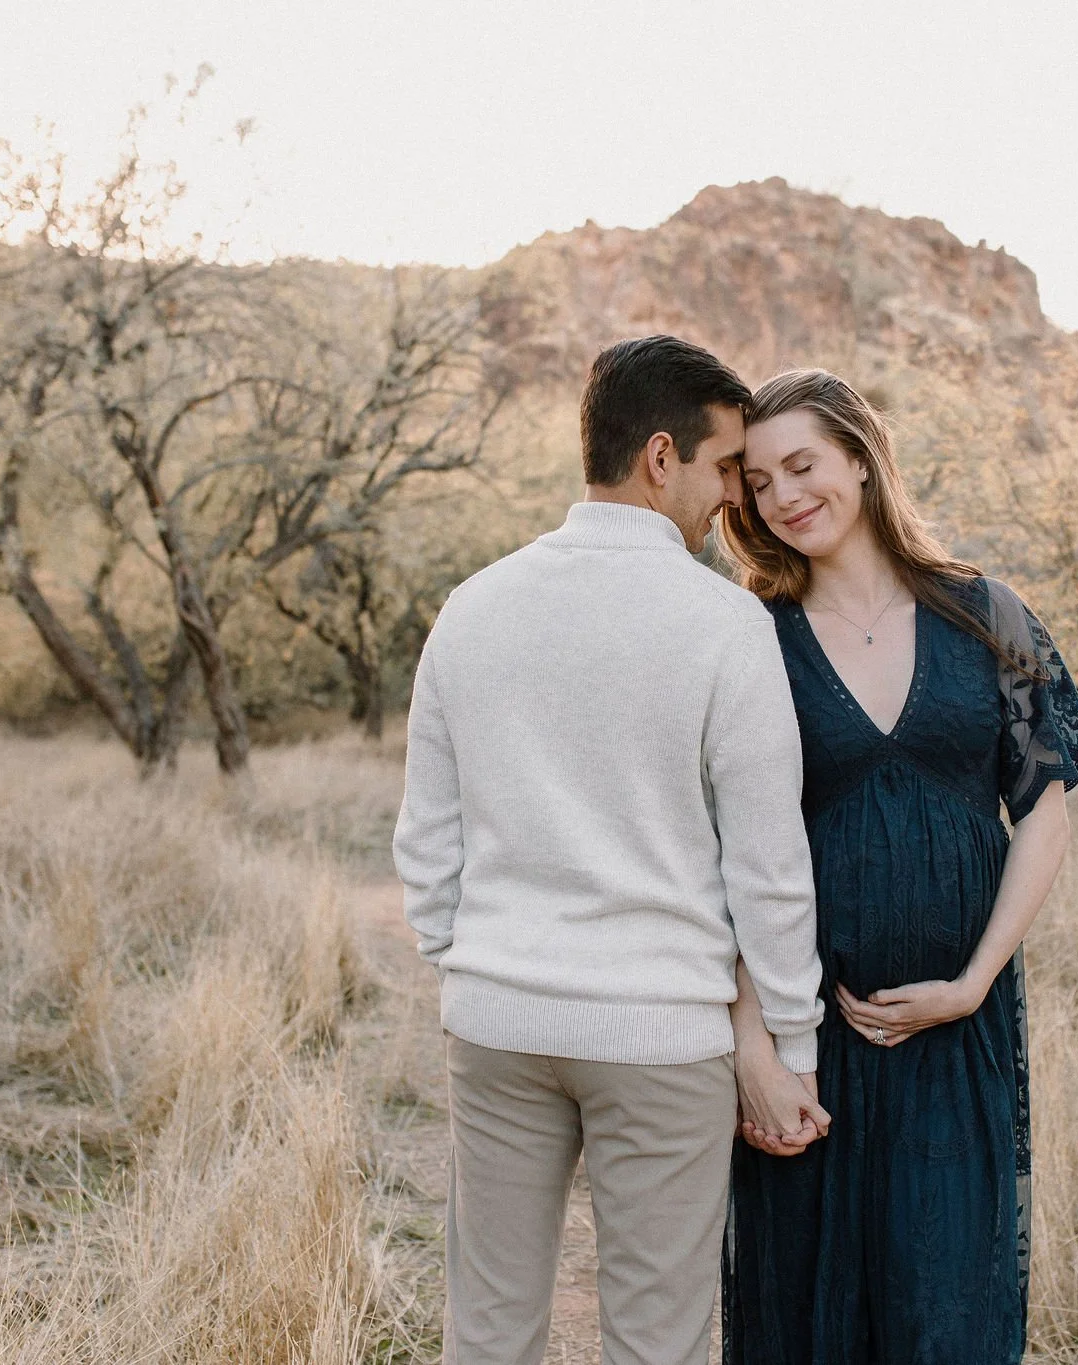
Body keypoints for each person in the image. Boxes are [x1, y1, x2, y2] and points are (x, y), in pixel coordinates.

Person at [393, 335, 831, 1365]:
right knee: (656, 1341)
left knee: (488, 1331)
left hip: (498, 1024)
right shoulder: (724, 625)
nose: (737, 497)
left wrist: (471, 961)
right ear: (661, 457)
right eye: (728, 467)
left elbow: (426, 838)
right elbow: (766, 867)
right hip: (660, 1038)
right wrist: (793, 1043)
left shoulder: (473, 606)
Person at [717, 369, 1078, 1364]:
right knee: (806, 1315)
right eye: (756, 482)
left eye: (801, 465)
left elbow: (1043, 816)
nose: (783, 496)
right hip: (811, 1043)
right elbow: (716, 858)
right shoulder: (749, 638)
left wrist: (970, 985)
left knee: (945, 1307)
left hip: (956, 1032)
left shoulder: (987, 615)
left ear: (858, 456)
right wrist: (753, 1053)